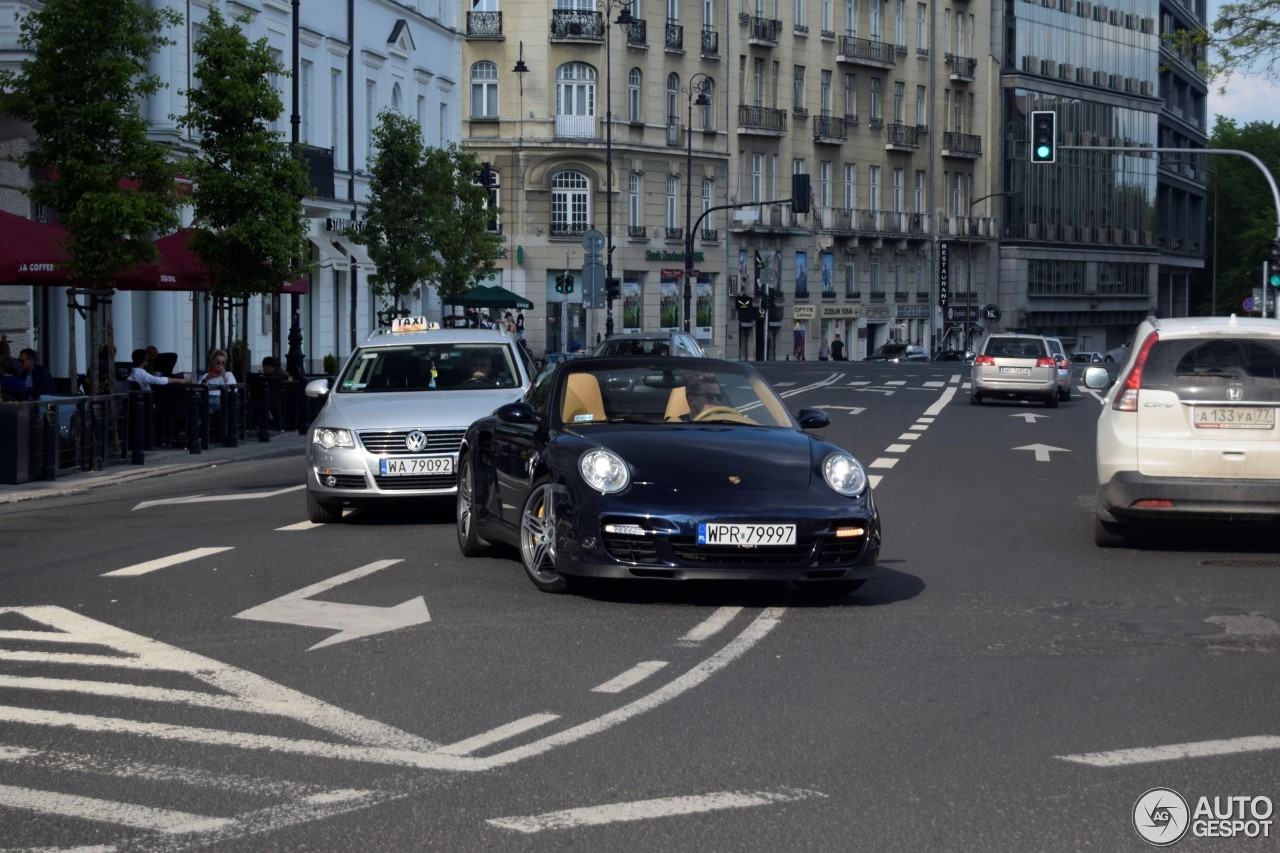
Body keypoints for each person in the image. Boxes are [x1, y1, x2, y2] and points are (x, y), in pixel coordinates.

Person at [197, 348, 237, 412]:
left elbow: (234, 390)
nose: (220, 365)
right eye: (218, 362)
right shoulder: (206, 375)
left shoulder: (228, 374)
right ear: (213, 363)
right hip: (206, 405)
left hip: (223, 406)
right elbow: (197, 390)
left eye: (223, 363)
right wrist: (206, 379)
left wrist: (224, 376)